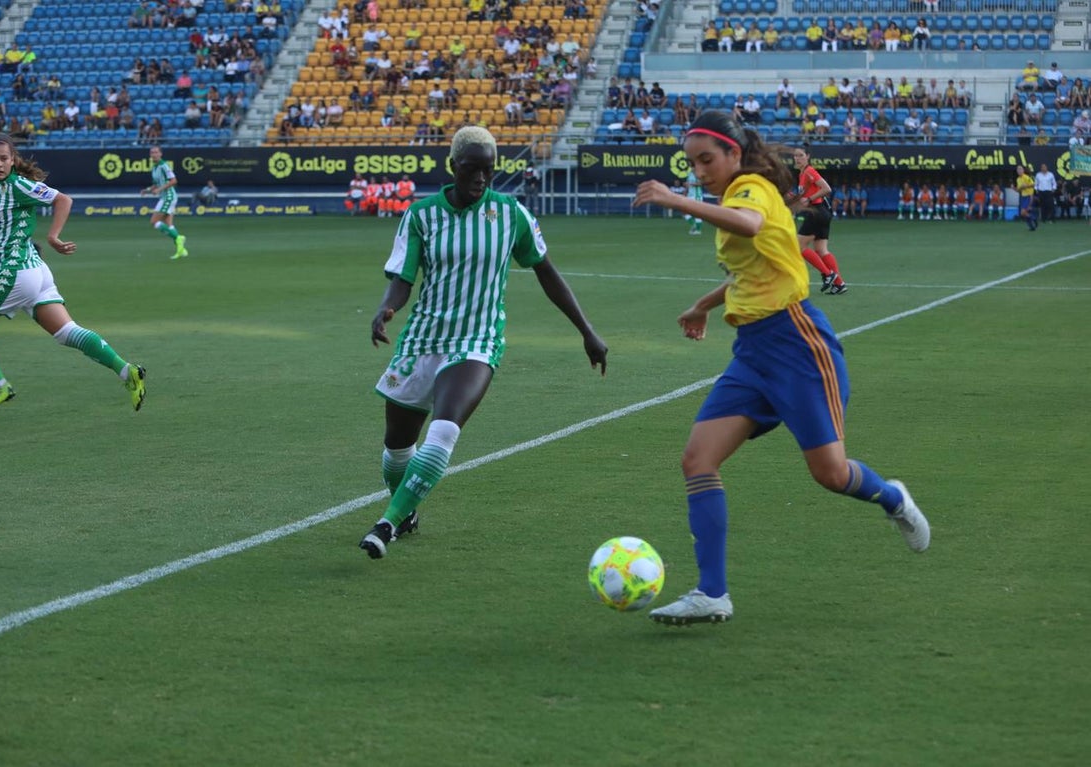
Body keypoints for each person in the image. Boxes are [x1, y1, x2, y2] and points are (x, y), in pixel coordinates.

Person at [629, 111, 929, 625]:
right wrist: (703, 305)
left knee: (831, 474)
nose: (699, 171)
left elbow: (749, 224)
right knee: (697, 461)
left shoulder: (750, 189)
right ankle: (712, 593)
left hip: (797, 344)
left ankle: (892, 496)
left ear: (735, 155)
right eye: (691, 163)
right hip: (752, 352)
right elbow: (754, 267)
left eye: (707, 160)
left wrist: (674, 197)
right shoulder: (733, 195)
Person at [359, 126, 608, 559]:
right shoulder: (421, 216)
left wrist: (586, 330)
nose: (480, 178)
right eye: (472, 169)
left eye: (488, 171)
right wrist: (387, 309)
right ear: (453, 166)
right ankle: (407, 509)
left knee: (445, 429)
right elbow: (403, 279)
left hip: (477, 340)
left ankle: (387, 524)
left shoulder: (510, 214)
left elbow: (547, 272)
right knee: (397, 448)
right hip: (421, 339)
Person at [0, 133, 146, 417]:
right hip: (35, 272)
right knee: (66, 333)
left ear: (13, 159)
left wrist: (53, 236)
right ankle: (127, 371)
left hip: (15, 271)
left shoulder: (19, 185)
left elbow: (63, 199)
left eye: (5, 158)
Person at [788, 146, 845, 294]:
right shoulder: (802, 174)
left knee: (799, 246)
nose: (797, 158)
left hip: (816, 212)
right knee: (821, 250)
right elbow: (804, 197)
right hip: (822, 213)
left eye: (800, 155)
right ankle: (838, 283)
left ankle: (828, 274)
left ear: (807, 156)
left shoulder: (809, 171)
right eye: (795, 156)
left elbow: (827, 189)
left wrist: (809, 198)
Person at [140, 146, 189, 259]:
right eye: (152, 152)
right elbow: (156, 184)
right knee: (169, 225)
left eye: (156, 152)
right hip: (164, 197)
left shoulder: (164, 166)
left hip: (168, 197)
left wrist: (160, 189)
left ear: (161, 154)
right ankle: (181, 250)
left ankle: (178, 238)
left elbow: (174, 181)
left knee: (154, 221)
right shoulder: (155, 167)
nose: (154, 154)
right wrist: (147, 190)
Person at [1015, 164, 1037, 231]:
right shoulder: (1018, 179)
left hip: (1028, 196)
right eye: (1018, 169)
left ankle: (1034, 219)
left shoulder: (1026, 177)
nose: (1019, 171)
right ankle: (1032, 226)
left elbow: (1033, 184)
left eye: (1020, 169)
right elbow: (1019, 189)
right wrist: (1019, 188)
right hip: (1023, 197)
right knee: (1024, 213)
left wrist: (1026, 186)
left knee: (1023, 212)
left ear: (1023, 170)